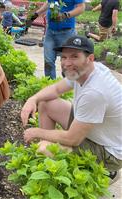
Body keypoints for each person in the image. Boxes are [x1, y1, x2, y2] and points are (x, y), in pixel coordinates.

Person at [20, 35, 122, 182]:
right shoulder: (86, 70)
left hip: (109, 151)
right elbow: (55, 89)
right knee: (46, 103)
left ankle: (106, 172)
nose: (67, 63)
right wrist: (33, 99)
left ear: (90, 58)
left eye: (74, 57)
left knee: (43, 148)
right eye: (64, 57)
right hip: (94, 131)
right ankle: (50, 161)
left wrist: (35, 132)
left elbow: (73, 139)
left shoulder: (95, 92)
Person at [30, 0, 85, 79]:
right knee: (48, 61)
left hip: (67, 32)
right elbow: (49, 3)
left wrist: (66, 15)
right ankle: (50, 85)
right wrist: (36, 14)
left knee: (67, 63)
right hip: (50, 32)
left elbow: (81, 7)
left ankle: (67, 87)